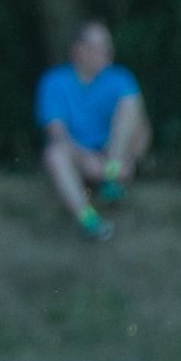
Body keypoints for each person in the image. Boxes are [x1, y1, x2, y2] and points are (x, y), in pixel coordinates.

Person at [35, 21, 148, 241]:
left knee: (130, 106)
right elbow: (56, 132)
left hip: (113, 159)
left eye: (107, 46)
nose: (107, 53)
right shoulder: (54, 82)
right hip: (78, 158)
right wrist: (85, 159)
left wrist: (127, 158)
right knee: (54, 154)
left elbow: (140, 129)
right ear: (79, 50)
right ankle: (88, 220)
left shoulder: (120, 79)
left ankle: (111, 180)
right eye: (99, 47)